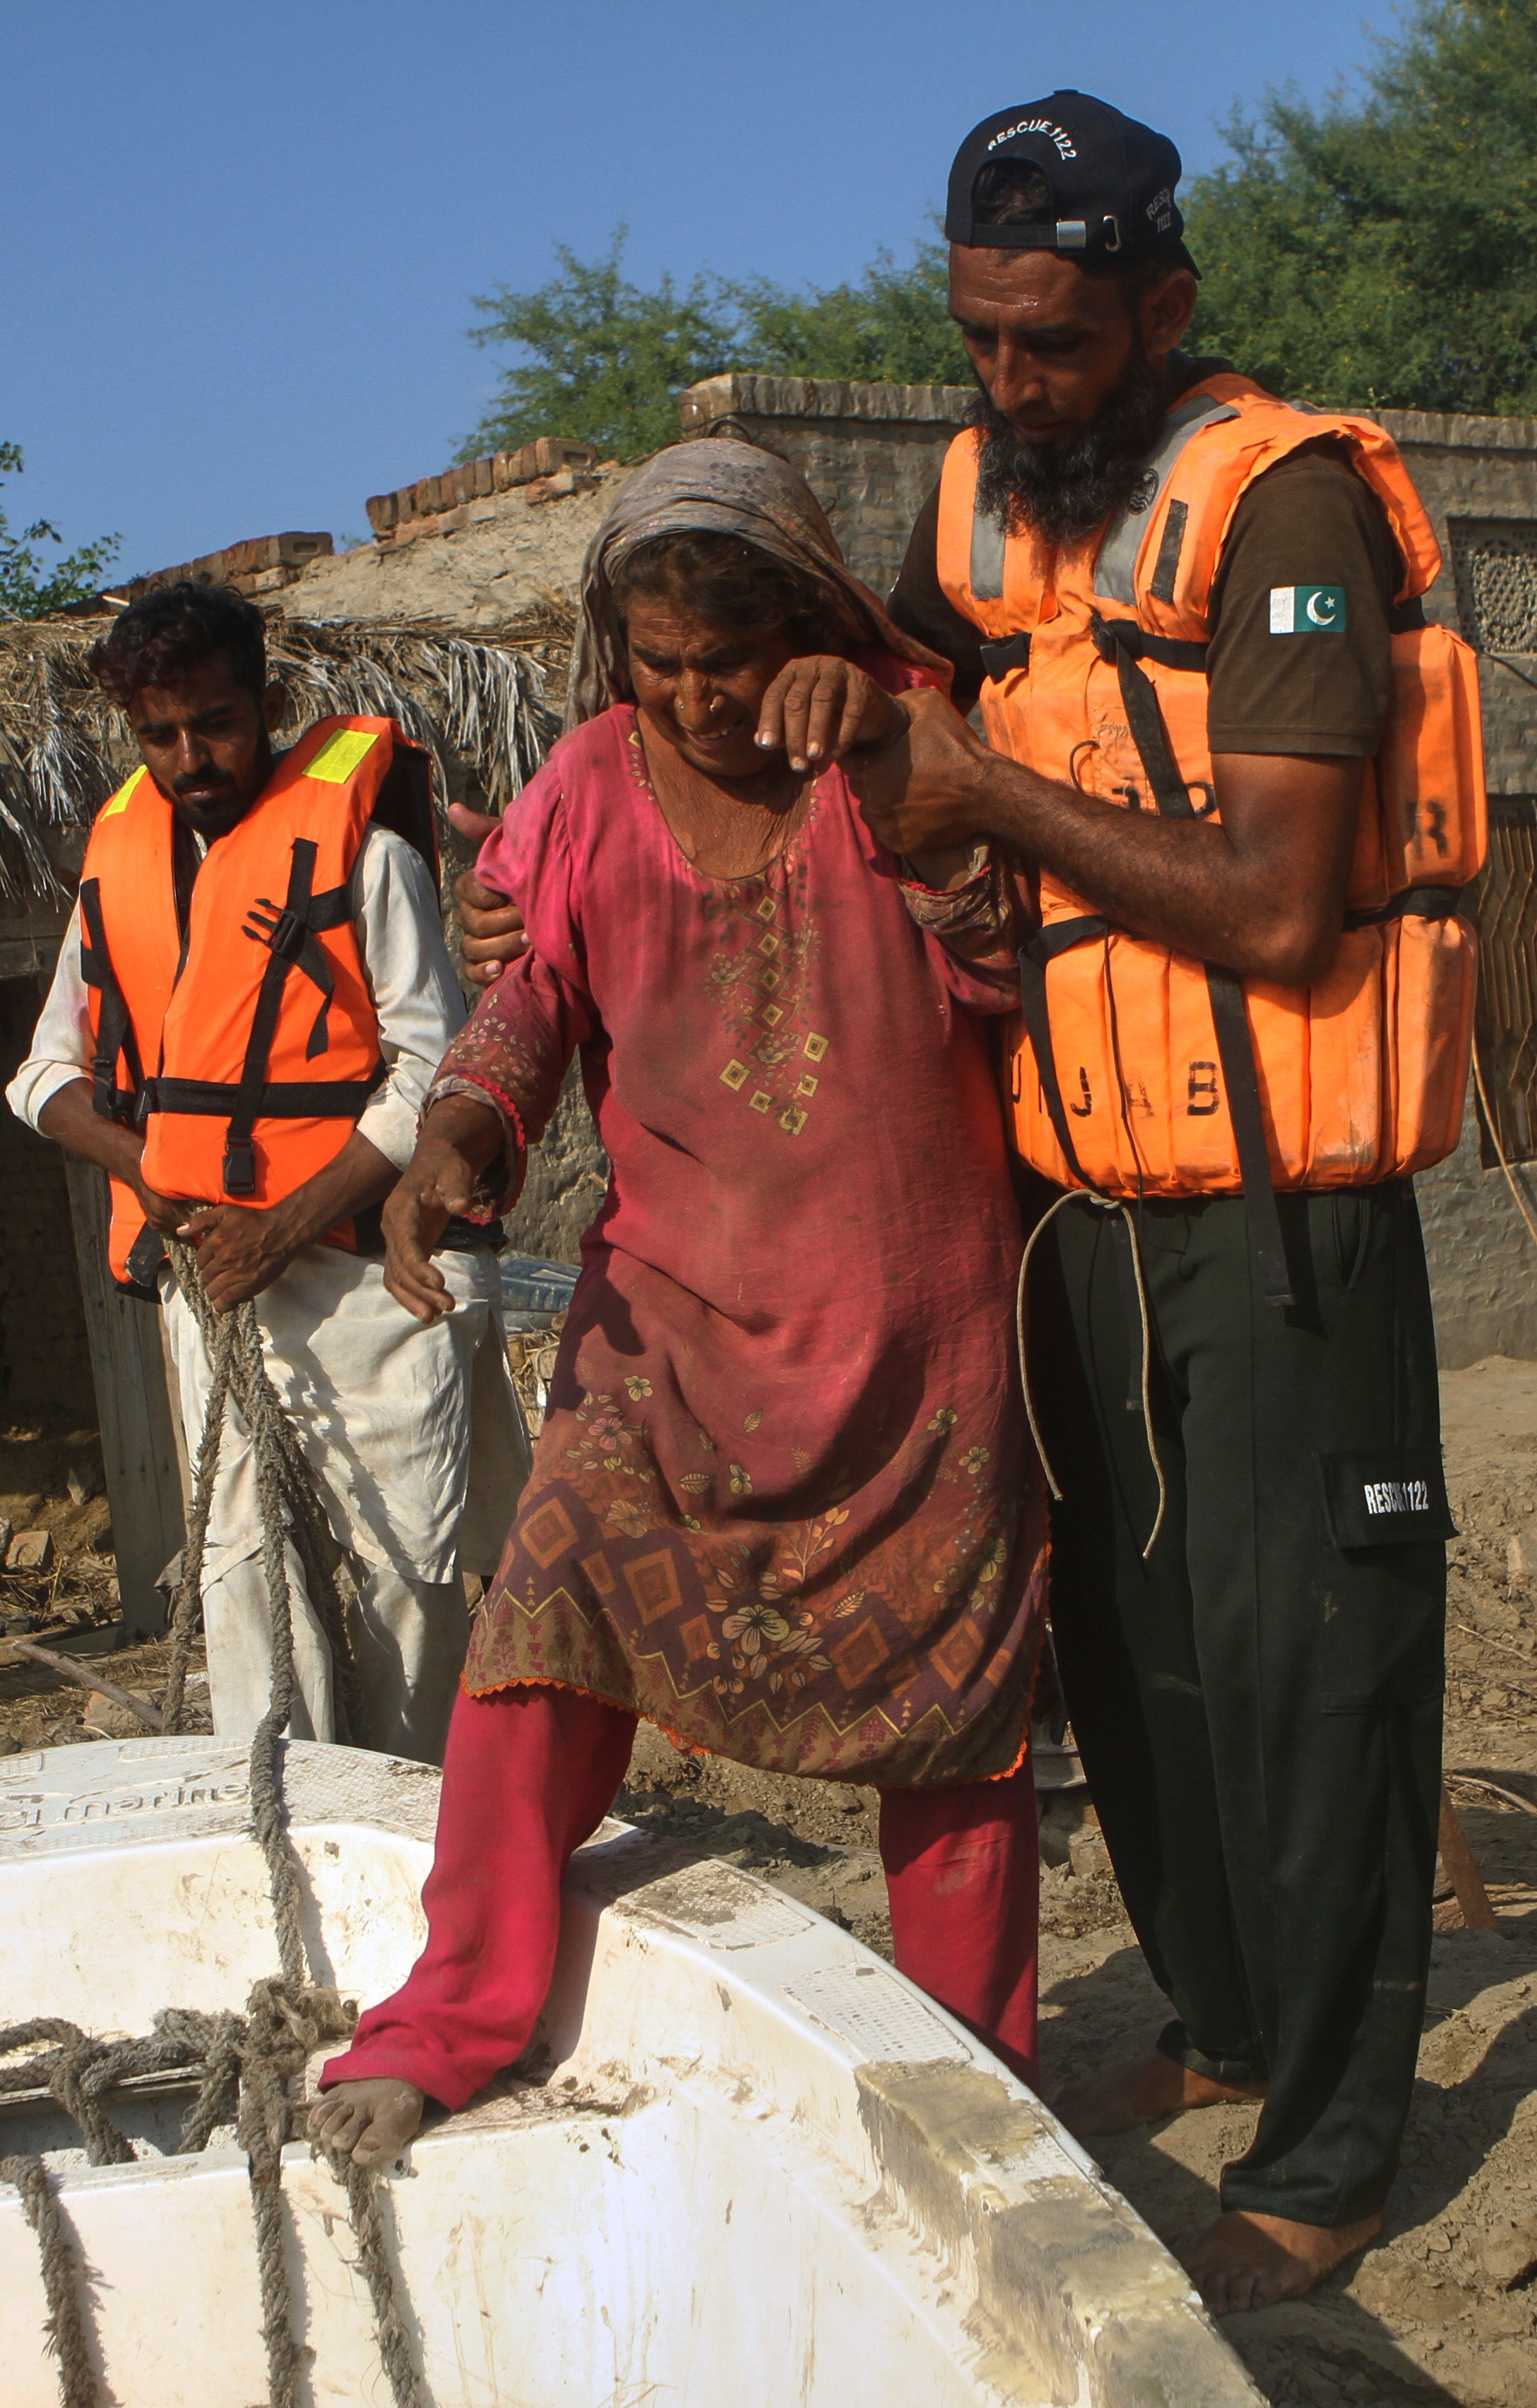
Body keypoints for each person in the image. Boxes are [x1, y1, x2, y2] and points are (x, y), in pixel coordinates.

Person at [860, 91, 1493, 2311]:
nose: (1007, 384)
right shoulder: (984, 505)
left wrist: (983, 797)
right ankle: (1225, 2028)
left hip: (1282, 1216)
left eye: (1050, 342)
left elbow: (1284, 904)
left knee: (1311, 1667)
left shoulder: (1288, 505)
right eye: (978, 340)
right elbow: (888, 710)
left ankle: (1331, 2148)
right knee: (1144, 1667)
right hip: (1078, 1205)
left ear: (1164, 303)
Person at [304, 440, 1048, 2176]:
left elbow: (1007, 963)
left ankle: (980, 2095)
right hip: (669, 1330)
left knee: (958, 1720)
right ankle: (452, 2014)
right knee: (541, 1635)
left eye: (729, 661)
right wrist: (453, 1145)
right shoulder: (580, 786)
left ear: (809, 621)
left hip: (919, 1329)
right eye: (664, 669)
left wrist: (879, 752)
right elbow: (529, 1006)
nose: (701, 699)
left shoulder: (911, 741)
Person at [10, 579, 520, 1763]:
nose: (192, 758)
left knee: (407, 1581)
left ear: (271, 704)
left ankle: (409, 1826)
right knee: (246, 1579)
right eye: (160, 736)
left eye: (218, 723)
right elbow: (43, 1077)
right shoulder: (116, 863)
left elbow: (432, 1072)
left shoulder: (370, 854)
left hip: (365, 1288)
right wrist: (159, 1174)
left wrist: (282, 1228)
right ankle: (273, 1828)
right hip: (213, 1287)